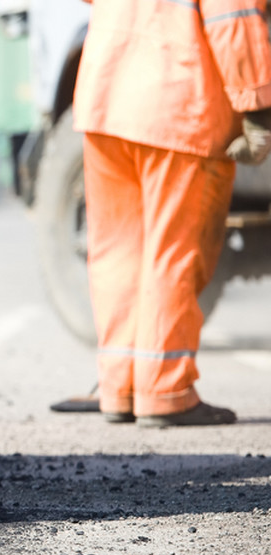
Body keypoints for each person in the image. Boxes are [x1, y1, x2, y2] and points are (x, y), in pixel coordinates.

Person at [73, 0, 271, 427]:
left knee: (119, 251)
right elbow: (231, 17)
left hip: (105, 98)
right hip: (179, 105)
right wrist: (256, 109)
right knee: (175, 253)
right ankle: (165, 391)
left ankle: (119, 387)